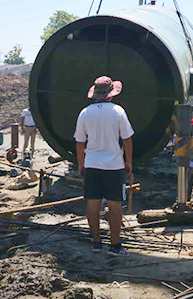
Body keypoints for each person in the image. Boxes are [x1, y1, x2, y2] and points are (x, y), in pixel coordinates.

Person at [74, 76, 134, 256]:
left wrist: (81, 165)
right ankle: (115, 245)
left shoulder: (85, 113)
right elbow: (127, 138)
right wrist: (128, 161)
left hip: (92, 165)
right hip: (114, 166)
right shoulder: (118, 112)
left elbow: (79, 142)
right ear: (110, 94)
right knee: (115, 205)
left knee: (93, 204)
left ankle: (96, 242)